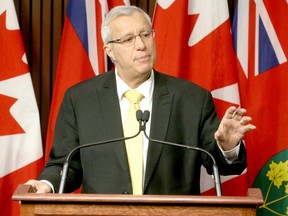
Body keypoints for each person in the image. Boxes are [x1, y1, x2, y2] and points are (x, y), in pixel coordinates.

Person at [26, 5, 256, 195]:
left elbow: (220, 166)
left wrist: (227, 146)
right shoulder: (80, 99)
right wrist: (46, 185)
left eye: (146, 34)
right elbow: (65, 165)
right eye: (128, 39)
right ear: (109, 51)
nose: (141, 45)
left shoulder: (191, 98)